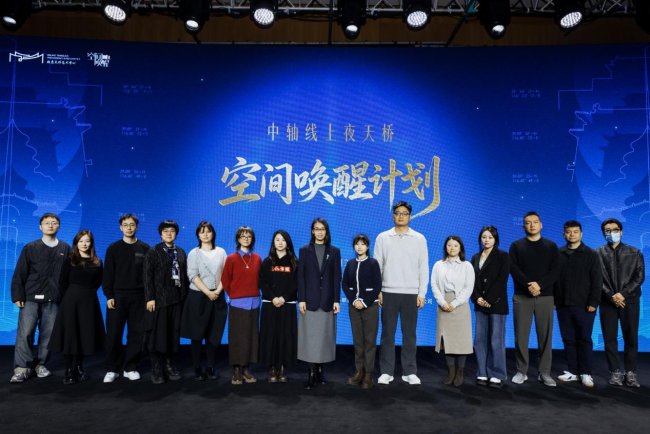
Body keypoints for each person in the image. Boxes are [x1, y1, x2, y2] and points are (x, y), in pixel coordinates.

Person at [10, 213, 71, 383]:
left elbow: (69, 275)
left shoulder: (65, 248)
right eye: (47, 223)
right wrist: (17, 295)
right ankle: (22, 368)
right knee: (25, 333)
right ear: (40, 227)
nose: (50, 225)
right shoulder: (31, 247)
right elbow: (20, 273)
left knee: (49, 335)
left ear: (59, 226)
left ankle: (40, 365)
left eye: (54, 222)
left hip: (54, 299)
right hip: (30, 297)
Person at [374, 201, 429, 386]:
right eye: (397, 213)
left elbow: (423, 267)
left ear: (410, 216)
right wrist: (378, 290)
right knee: (387, 334)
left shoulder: (419, 238)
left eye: (404, 213)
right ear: (393, 216)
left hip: (411, 293)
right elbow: (377, 266)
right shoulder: (383, 237)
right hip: (388, 292)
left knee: (409, 335)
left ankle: (409, 372)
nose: (401, 216)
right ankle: (386, 371)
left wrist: (422, 293)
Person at [509, 211, 561, 387]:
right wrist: (529, 285)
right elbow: (514, 269)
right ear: (523, 226)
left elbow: (555, 270)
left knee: (545, 337)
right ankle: (521, 371)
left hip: (545, 296)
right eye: (528, 222)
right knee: (521, 337)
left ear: (541, 225)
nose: (532, 225)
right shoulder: (516, 246)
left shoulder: (551, 246)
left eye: (535, 222)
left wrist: (540, 285)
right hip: (522, 296)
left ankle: (544, 372)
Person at [48, 230, 105, 384]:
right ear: (76, 243)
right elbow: (62, 283)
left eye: (87, 241)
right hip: (71, 301)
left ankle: (79, 367)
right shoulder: (70, 260)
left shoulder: (97, 262)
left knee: (84, 335)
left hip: (89, 301)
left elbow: (99, 282)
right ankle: (68, 369)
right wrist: (70, 297)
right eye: (81, 241)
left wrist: (87, 293)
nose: (84, 244)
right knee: (70, 335)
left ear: (91, 243)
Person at [596, 218, 645, 387]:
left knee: (631, 338)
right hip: (607, 301)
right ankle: (615, 371)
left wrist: (623, 294)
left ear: (621, 232)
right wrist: (611, 295)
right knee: (609, 338)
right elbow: (596, 278)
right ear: (603, 233)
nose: (611, 233)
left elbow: (639, 277)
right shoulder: (597, 254)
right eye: (607, 231)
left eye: (615, 230)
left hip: (629, 300)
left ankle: (630, 373)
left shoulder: (635, 252)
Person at [102, 213, 150, 383]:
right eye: (125, 225)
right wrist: (109, 295)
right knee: (113, 333)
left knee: (136, 333)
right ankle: (112, 369)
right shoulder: (113, 248)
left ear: (137, 227)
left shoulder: (145, 248)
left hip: (139, 297)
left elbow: (148, 275)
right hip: (117, 297)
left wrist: (148, 297)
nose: (129, 228)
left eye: (132, 225)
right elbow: (108, 274)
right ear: (120, 227)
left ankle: (130, 367)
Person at [554, 220, 602, 388]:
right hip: (562, 305)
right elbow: (554, 278)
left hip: (584, 305)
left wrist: (593, 301)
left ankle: (586, 373)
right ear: (564, 234)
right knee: (568, 339)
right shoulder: (558, 253)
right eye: (568, 232)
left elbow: (597, 280)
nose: (572, 234)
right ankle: (573, 371)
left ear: (581, 234)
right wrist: (554, 300)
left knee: (584, 339)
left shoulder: (591, 254)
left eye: (575, 232)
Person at [180, 221, 228, 381]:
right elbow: (192, 275)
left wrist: (217, 291)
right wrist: (208, 292)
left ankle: (211, 367)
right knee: (197, 334)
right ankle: (197, 368)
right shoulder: (194, 253)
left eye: (208, 231)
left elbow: (226, 274)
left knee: (213, 334)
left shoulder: (221, 252)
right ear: (198, 235)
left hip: (217, 296)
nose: (205, 234)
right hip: (198, 297)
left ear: (213, 233)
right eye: (202, 232)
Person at [297, 218, 341, 389]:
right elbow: (301, 277)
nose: (320, 232)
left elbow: (336, 277)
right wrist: (301, 299)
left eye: (322, 229)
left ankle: (320, 372)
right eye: (316, 229)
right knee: (310, 339)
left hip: (327, 300)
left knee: (324, 338)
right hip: (310, 301)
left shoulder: (334, 251)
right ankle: (311, 373)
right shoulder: (304, 250)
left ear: (326, 231)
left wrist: (336, 299)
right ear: (312, 231)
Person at [143, 220, 189, 384]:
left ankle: (170, 366)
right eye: (165, 231)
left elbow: (184, 276)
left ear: (176, 233)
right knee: (157, 335)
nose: (169, 234)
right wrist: (150, 298)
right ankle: (157, 368)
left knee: (173, 333)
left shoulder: (181, 252)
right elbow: (147, 276)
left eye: (172, 231)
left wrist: (185, 297)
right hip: (159, 300)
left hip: (177, 299)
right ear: (160, 234)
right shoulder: (153, 252)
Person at [431, 235, 475, 387]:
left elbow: (468, 287)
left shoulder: (467, 265)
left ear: (460, 248)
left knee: (461, 340)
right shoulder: (438, 265)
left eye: (455, 245)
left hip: (461, 305)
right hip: (443, 304)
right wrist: (443, 302)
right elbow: (434, 285)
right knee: (447, 340)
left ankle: (460, 372)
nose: (452, 248)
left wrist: (454, 303)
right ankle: (450, 372)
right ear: (445, 247)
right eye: (449, 245)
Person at [222, 226, 262, 385]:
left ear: (252, 239)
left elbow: (260, 279)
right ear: (238, 239)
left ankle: (246, 368)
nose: (246, 239)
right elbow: (225, 280)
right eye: (243, 236)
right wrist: (235, 294)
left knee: (251, 336)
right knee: (237, 336)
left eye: (249, 236)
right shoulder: (231, 258)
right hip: (238, 303)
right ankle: (236, 369)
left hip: (254, 302)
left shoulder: (257, 258)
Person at [470, 225, 509, 388]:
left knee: (496, 339)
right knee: (480, 340)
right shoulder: (475, 257)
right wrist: (477, 297)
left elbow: (502, 279)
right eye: (484, 237)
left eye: (490, 237)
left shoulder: (503, 256)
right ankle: (482, 372)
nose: (486, 240)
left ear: (495, 239)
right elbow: (470, 280)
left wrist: (489, 299)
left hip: (497, 303)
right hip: (480, 303)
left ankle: (497, 373)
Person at [342, 234, 382, 390]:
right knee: (358, 341)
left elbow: (377, 286)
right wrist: (354, 301)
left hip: (370, 307)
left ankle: (368, 374)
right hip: (354, 307)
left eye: (363, 244)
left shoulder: (373, 263)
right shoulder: (350, 263)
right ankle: (359, 372)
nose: (359, 247)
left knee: (369, 341)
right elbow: (345, 284)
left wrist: (364, 302)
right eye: (357, 244)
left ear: (367, 246)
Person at [259, 230, 299, 383]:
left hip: (287, 305)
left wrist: (283, 298)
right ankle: (272, 368)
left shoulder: (294, 262)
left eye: (283, 240)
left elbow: (296, 283)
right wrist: (273, 298)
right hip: (270, 305)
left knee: (285, 336)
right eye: (277, 240)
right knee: (270, 335)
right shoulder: (267, 262)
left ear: (288, 243)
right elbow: (262, 282)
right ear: (273, 243)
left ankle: (282, 368)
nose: (280, 242)